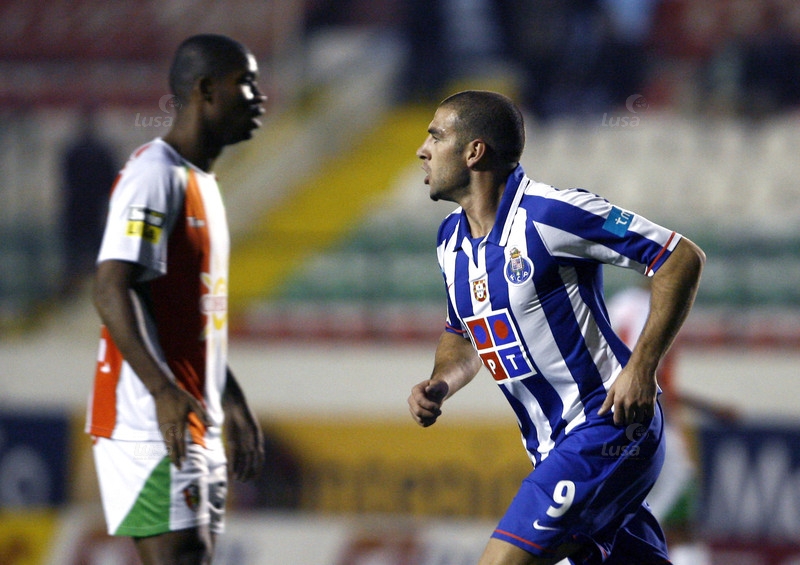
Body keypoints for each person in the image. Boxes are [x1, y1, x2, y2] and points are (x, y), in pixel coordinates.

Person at [408, 90, 705, 564]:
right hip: (551, 449)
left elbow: (679, 257)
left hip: (607, 428)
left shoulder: (553, 214)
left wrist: (641, 368)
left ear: (474, 151)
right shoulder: (450, 241)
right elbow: (462, 333)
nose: (422, 150)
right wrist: (441, 381)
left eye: (436, 136)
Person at [86, 34, 267, 565]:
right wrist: (162, 390)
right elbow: (110, 285)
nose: (258, 97)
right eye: (246, 83)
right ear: (206, 90)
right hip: (148, 418)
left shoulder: (201, 183)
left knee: (195, 556)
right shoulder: (154, 175)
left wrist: (230, 397)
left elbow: (188, 320)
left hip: (191, 410)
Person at [59, 106, 118, 298]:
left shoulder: (75, 151)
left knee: (77, 254)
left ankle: (77, 288)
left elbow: (67, 180)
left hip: (80, 209)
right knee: (89, 253)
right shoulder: (100, 151)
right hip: (92, 209)